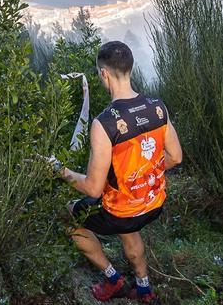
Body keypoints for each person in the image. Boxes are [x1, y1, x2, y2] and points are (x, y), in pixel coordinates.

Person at [50, 41, 182, 303]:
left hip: (122, 211)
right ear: (130, 69)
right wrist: (144, 173)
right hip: (154, 204)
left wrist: (59, 170)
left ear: (104, 73)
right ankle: (144, 289)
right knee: (126, 217)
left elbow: (92, 189)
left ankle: (113, 279)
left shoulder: (105, 123)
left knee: (66, 215)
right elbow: (175, 157)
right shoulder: (157, 107)